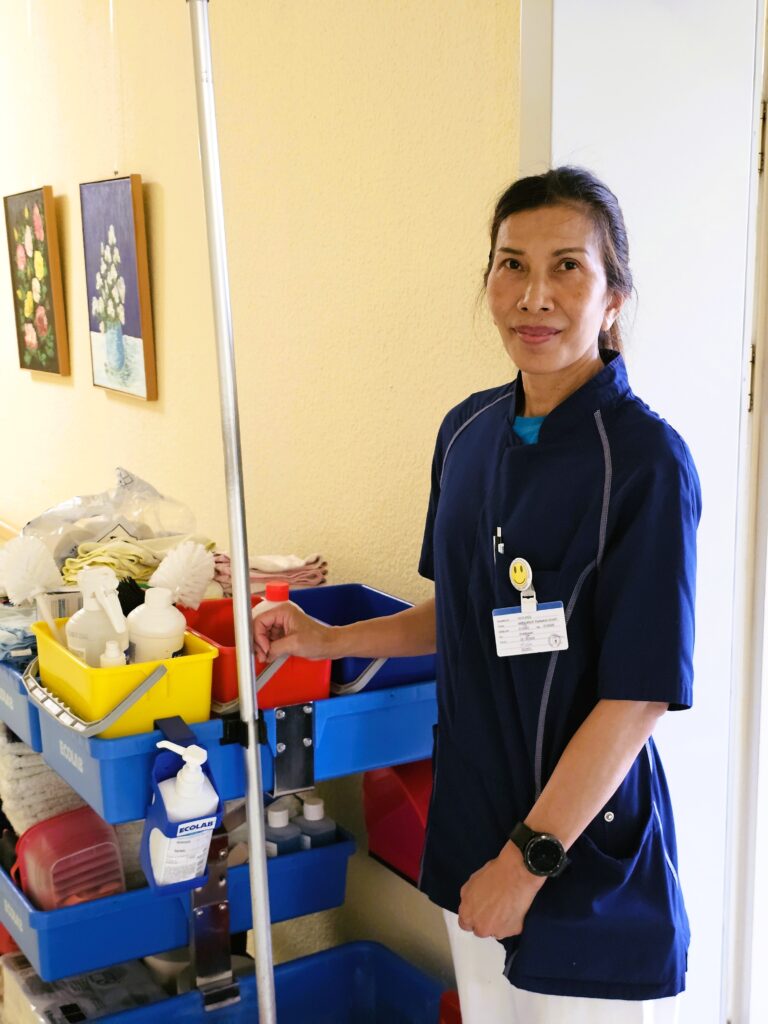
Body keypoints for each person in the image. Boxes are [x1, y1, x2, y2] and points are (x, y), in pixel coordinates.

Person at [253, 166, 700, 1024]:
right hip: (475, 825)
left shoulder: (646, 463)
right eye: (511, 265)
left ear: (613, 299)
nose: (534, 296)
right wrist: (326, 640)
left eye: (568, 267)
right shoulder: (466, 433)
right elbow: (464, 618)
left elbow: (638, 697)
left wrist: (527, 863)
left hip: (577, 849)